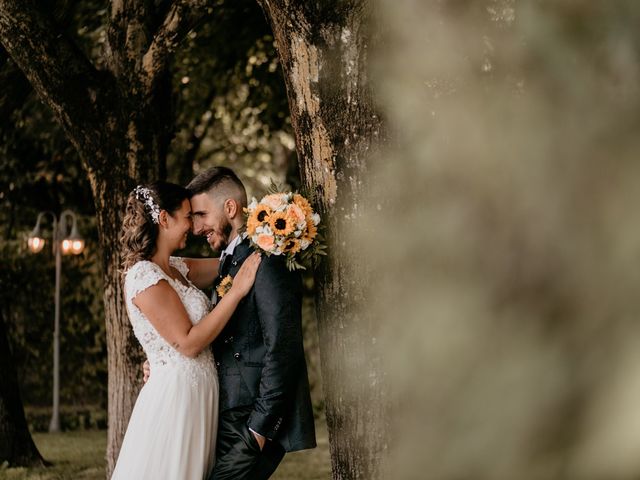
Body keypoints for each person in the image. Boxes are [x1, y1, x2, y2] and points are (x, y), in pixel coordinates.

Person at [112, 181, 261, 480]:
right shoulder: (144, 275)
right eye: (187, 216)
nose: (192, 226)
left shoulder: (176, 267)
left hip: (198, 396)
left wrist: (270, 231)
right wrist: (236, 292)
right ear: (164, 219)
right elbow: (188, 343)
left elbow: (230, 261)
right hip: (175, 399)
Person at [187, 167, 317, 480]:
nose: (195, 227)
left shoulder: (267, 258)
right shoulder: (231, 259)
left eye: (201, 214)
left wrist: (259, 429)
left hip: (251, 420)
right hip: (227, 413)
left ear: (230, 208)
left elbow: (282, 348)